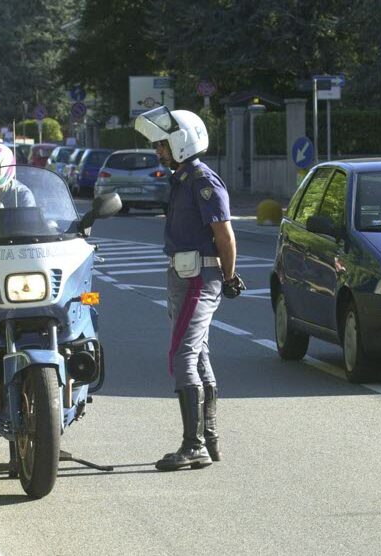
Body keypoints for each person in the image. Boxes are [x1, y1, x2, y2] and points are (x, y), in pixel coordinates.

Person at [135, 106, 245, 471]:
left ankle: (192, 444)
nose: (158, 151)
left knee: (181, 355)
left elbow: (224, 236)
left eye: (162, 145)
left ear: (181, 142)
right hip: (185, 276)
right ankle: (209, 438)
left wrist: (229, 278)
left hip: (199, 277)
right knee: (197, 356)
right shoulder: (183, 179)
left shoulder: (203, 181)